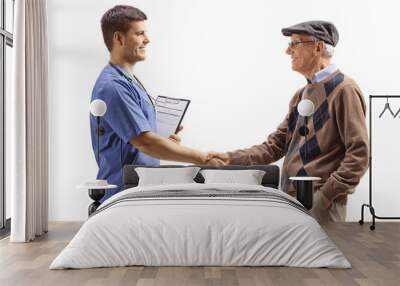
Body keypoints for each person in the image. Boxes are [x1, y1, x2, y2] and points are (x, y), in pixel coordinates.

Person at [209, 21, 368, 223]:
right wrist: (228, 158)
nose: (287, 51)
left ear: (318, 47)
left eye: (295, 43)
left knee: (318, 255)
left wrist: (325, 196)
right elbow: (274, 146)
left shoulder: (344, 89)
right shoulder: (301, 95)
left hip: (319, 204)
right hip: (292, 199)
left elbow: (359, 155)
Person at [90, 5, 221, 201]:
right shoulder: (112, 86)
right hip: (122, 192)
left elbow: (143, 139)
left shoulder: (130, 82)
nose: (147, 40)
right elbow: (146, 142)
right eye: (140, 33)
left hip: (141, 187)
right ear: (119, 38)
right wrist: (203, 158)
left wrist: (164, 140)